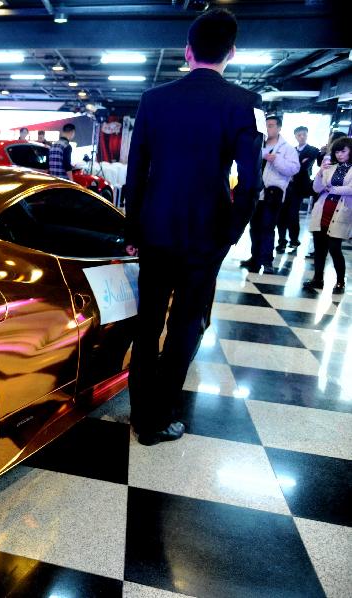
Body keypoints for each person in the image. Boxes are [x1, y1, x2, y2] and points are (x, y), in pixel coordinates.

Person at [123, 8, 263, 446]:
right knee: (187, 323)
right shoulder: (242, 103)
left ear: (187, 51)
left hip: (156, 229)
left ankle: (140, 413)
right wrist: (231, 232)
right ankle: (161, 415)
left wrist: (133, 231)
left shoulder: (154, 99)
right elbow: (252, 180)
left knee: (147, 324)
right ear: (232, 53)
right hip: (207, 234)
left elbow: (135, 172)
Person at [239, 115, 299, 274]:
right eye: (266, 125)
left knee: (267, 228)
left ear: (279, 127)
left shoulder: (287, 148)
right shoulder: (259, 144)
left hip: (273, 194)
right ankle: (254, 258)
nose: (268, 128)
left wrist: (276, 159)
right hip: (256, 193)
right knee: (254, 228)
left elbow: (294, 169)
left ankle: (266, 261)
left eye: (271, 125)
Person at [304, 136, 352, 293]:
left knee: (335, 248)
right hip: (323, 209)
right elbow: (317, 188)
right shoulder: (330, 167)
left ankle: (340, 282)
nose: (339, 154)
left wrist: (332, 189)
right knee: (319, 248)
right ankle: (318, 279)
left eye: (343, 151)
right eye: (337, 151)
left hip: (340, 212)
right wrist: (319, 174)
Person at [276, 126, 320, 253]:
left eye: (304, 134)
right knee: (281, 214)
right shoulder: (291, 150)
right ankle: (282, 241)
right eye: (299, 135)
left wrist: (293, 165)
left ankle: (294, 240)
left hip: (299, 188)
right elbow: (286, 165)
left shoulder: (312, 150)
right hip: (285, 186)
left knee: (293, 214)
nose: (302, 137)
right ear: (295, 136)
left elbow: (304, 166)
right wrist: (297, 163)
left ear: (307, 135)